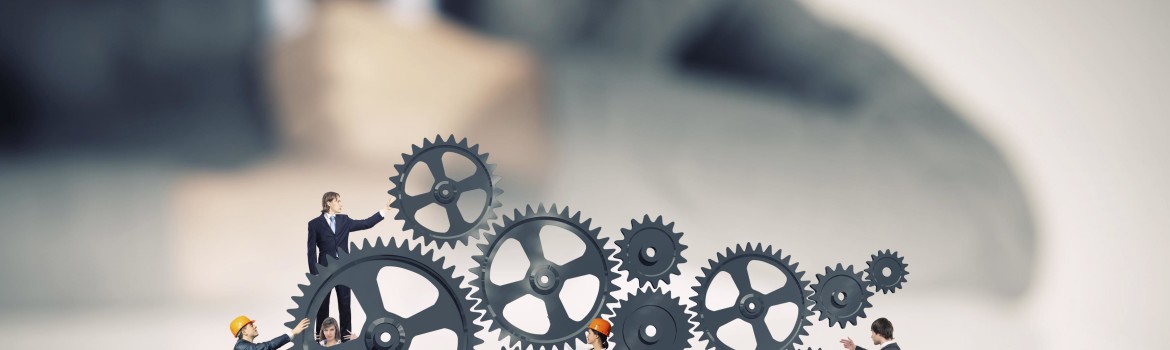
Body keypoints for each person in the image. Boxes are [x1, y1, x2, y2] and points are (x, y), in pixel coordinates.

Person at [308, 191, 391, 338]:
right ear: (328, 203)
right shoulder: (314, 224)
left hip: (344, 270)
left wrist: (383, 211)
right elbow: (311, 251)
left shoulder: (344, 220)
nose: (341, 204)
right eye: (338, 201)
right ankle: (321, 341)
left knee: (345, 306)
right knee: (322, 307)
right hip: (324, 270)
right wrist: (315, 273)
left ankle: (346, 342)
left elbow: (366, 223)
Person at [230, 315, 310, 350]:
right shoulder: (241, 347)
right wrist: (293, 332)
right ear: (244, 331)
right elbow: (267, 346)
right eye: (251, 325)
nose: (255, 326)